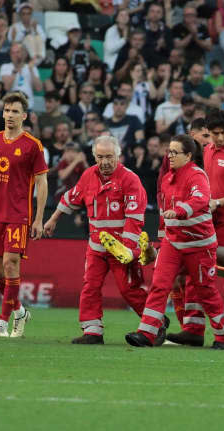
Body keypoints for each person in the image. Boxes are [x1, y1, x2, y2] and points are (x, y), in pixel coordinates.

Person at [126, 135, 224, 349]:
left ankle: (221, 336)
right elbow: (165, 213)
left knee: (206, 291)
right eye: (169, 152)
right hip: (173, 242)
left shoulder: (197, 176)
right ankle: (146, 333)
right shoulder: (167, 179)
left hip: (199, 244)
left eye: (175, 152)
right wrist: (161, 241)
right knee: (159, 286)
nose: (170, 156)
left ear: (189, 156)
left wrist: (180, 211)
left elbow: (200, 200)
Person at [44, 136, 149, 344]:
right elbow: (71, 197)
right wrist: (53, 219)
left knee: (129, 290)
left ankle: (154, 323)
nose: (105, 162)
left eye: (109, 156)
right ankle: (92, 331)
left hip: (121, 247)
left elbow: (134, 218)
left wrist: (127, 250)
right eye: (100, 157)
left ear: (118, 155)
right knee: (90, 285)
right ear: (94, 157)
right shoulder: (88, 176)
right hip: (96, 246)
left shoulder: (130, 180)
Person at [166, 110, 224, 348]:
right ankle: (193, 328)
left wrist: (218, 202)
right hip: (210, 221)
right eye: (211, 134)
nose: (216, 138)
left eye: (221, 133)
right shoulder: (206, 151)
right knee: (197, 273)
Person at [0, 91, 48, 338]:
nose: (10, 115)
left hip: (18, 215)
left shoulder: (32, 145)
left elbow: (42, 182)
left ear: (24, 116)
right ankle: (20, 310)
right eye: (7, 110)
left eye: (15, 111)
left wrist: (38, 218)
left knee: (9, 264)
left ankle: (4, 322)